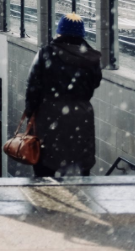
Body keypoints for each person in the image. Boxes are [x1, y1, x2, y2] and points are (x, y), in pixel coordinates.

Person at [23, 12, 102, 177]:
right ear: (81, 34)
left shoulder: (46, 53)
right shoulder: (92, 58)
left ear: (60, 32)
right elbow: (94, 84)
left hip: (49, 114)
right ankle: (82, 196)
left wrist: (30, 111)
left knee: (45, 164)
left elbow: (33, 87)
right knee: (80, 161)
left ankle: (45, 198)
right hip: (82, 114)